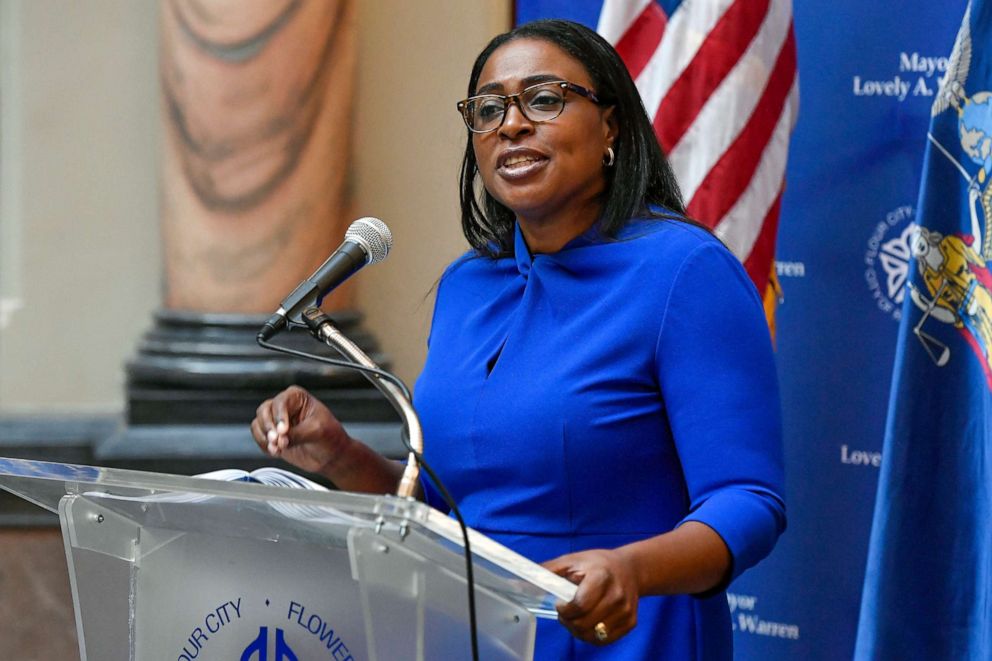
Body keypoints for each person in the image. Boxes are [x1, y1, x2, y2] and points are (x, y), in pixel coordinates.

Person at [250, 19, 785, 660]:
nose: (511, 124)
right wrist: (339, 456)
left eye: (544, 99)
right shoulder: (468, 285)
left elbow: (748, 500)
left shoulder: (684, 272)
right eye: (489, 108)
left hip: (624, 637)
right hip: (466, 636)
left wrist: (633, 571)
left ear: (611, 125)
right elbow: (451, 509)